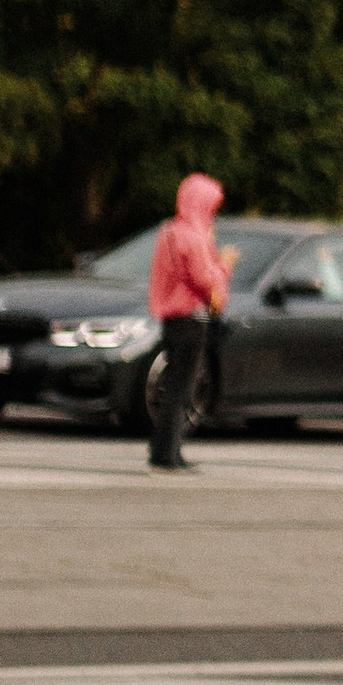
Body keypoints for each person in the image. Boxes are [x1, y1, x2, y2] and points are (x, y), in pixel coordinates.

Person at [145, 172, 233, 471]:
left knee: (173, 386)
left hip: (171, 320)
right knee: (182, 389)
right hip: (191, 320)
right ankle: (169, 454)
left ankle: (163, 450)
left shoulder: (169, 231)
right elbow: (205, 279)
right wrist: (225, 265)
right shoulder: (193, 236)